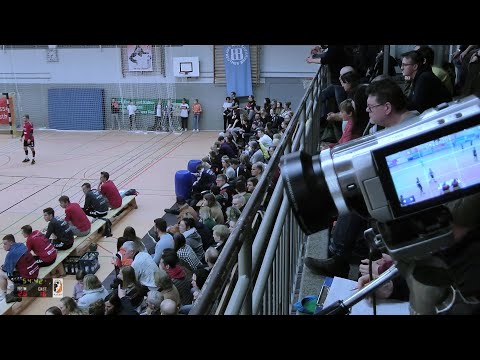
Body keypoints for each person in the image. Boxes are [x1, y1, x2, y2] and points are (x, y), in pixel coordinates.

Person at [0, 234, 39, 302]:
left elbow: (6, 269)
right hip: (35, 271)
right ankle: (15, 283)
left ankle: (3, 295)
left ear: (11, 243)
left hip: (28, 278)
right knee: (17, 265)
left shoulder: (11, 254)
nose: (4, 246)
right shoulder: (21, 245)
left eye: (5, 244)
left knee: (1, 274)